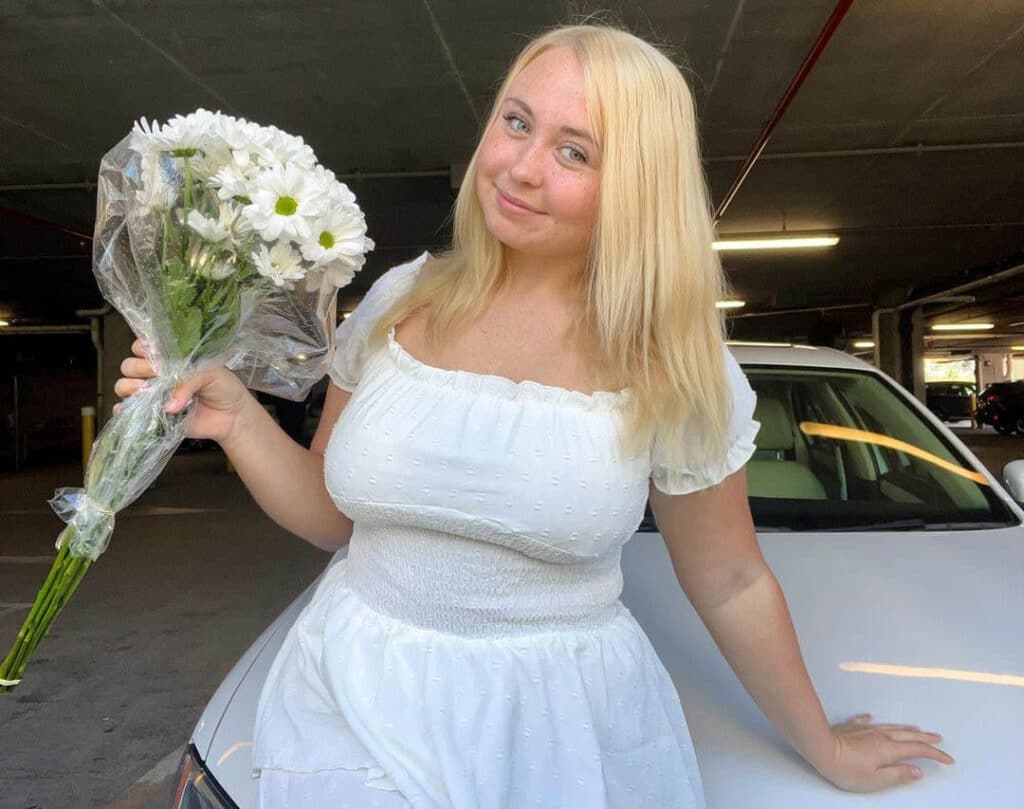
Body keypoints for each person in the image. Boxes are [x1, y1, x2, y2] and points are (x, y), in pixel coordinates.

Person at [114, 23, 953, 809]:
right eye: (516, 122)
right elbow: (335, 516)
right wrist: (236, 420)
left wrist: (823, 746)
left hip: (556, 722)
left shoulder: (672, 362)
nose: (519, 166)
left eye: (573, 151)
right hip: (350, 690)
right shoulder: (404, 298)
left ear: (636, 189)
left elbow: (731, 581)